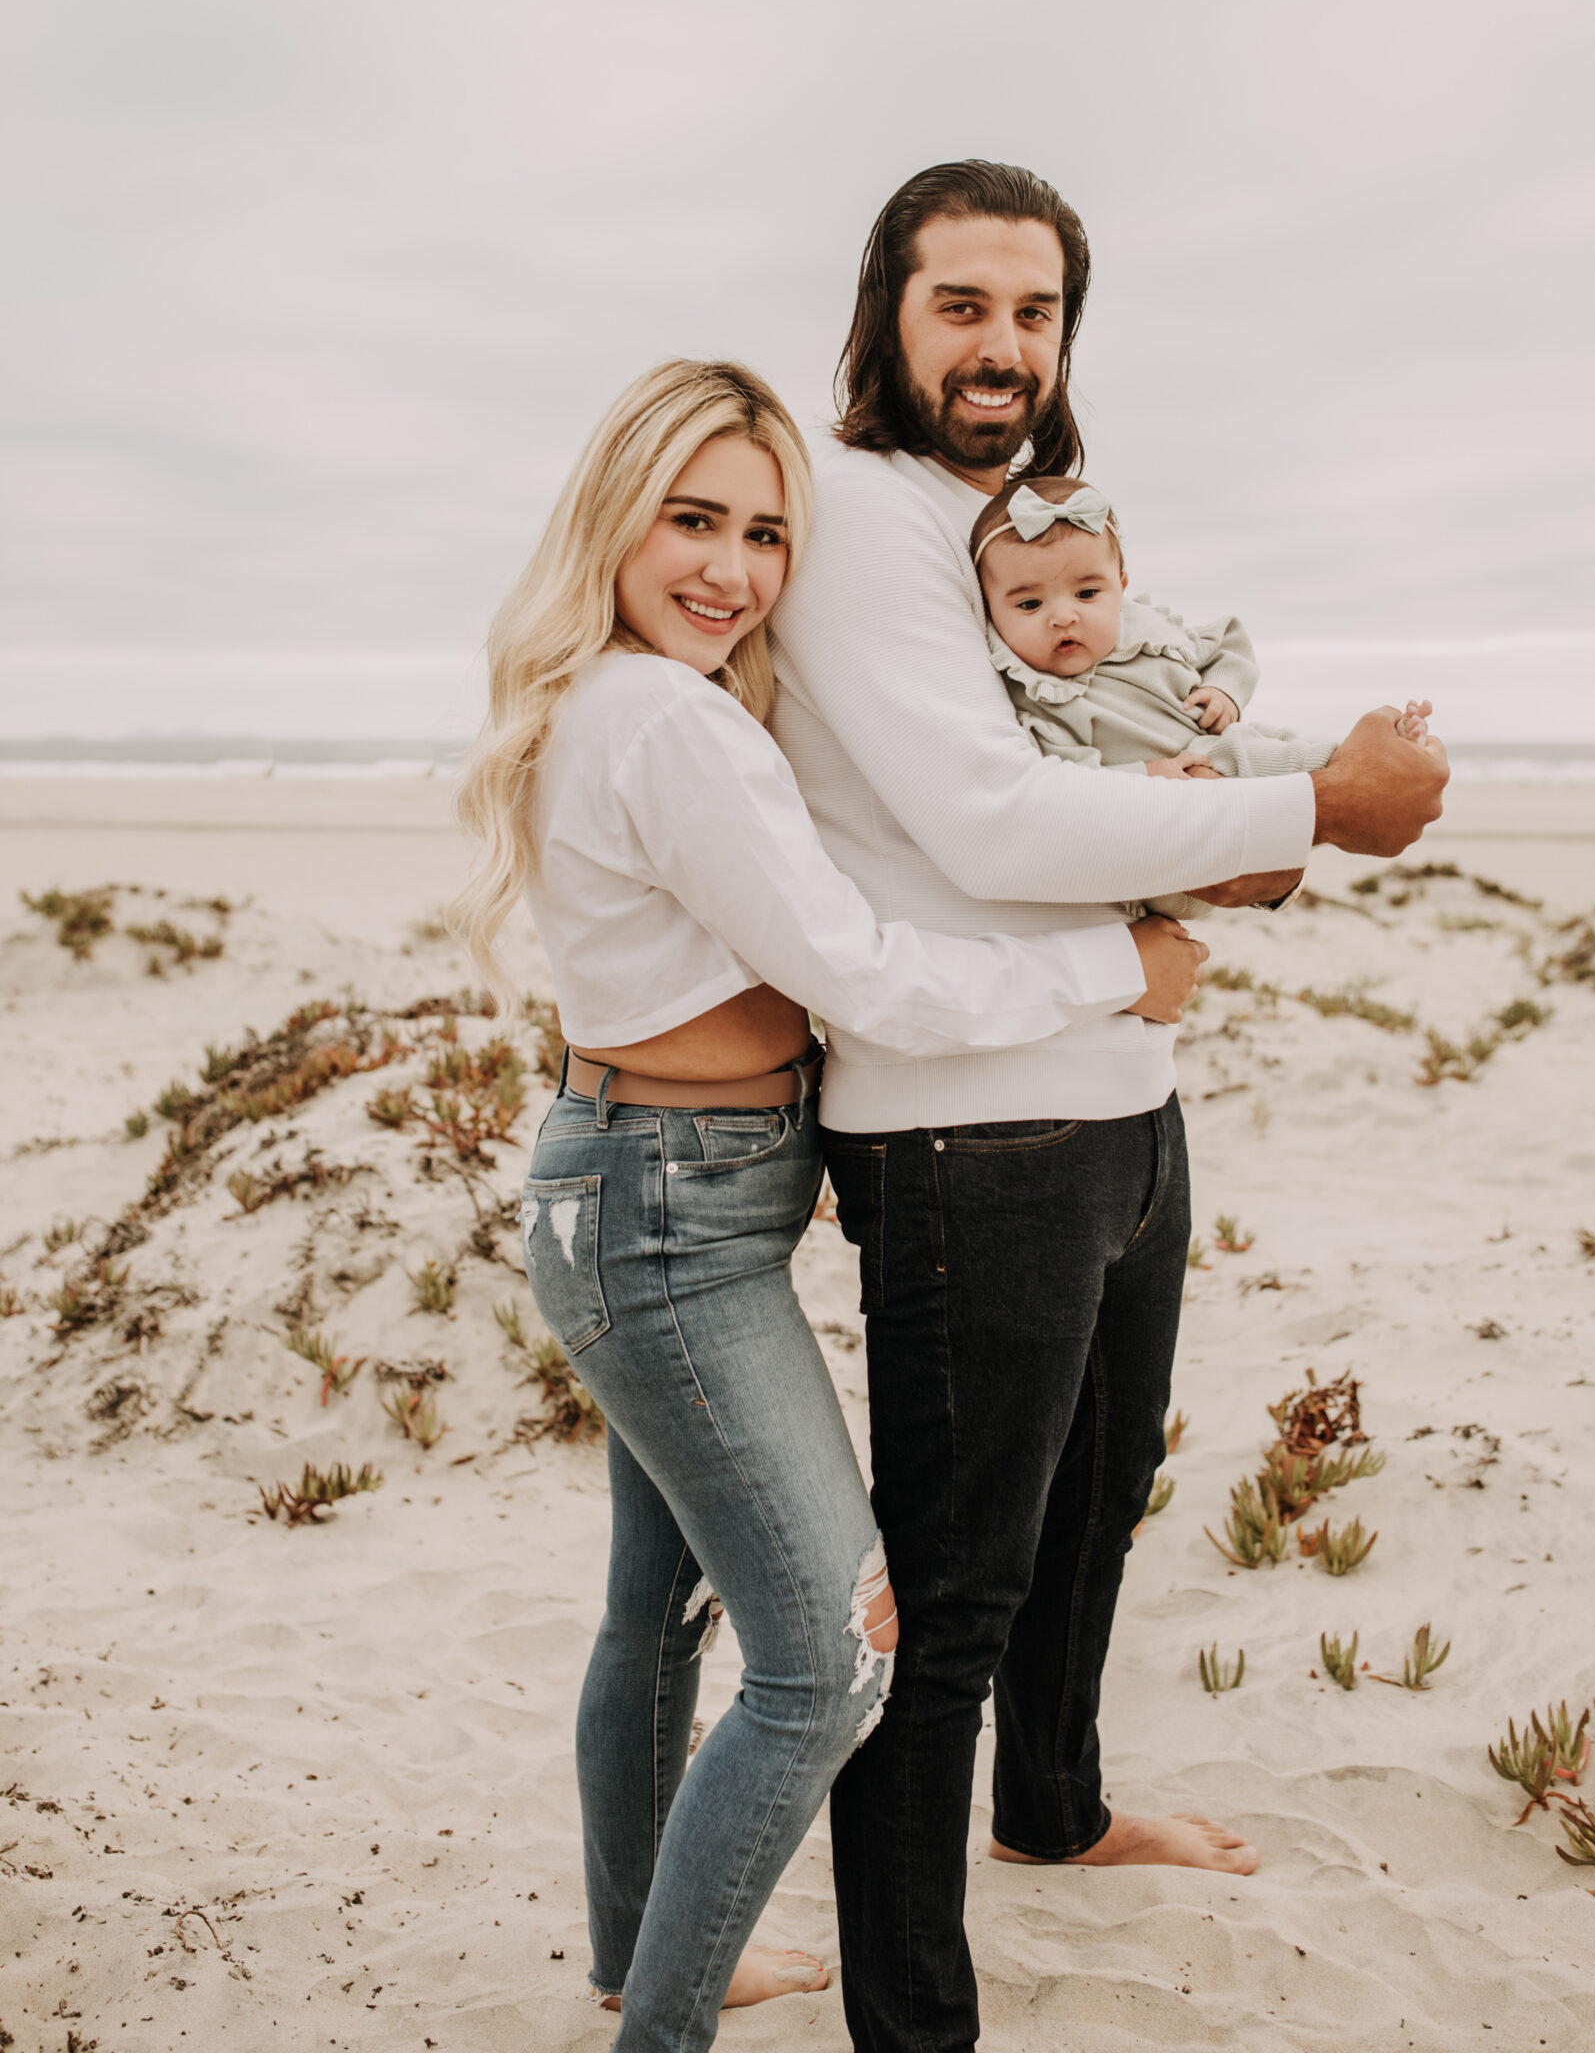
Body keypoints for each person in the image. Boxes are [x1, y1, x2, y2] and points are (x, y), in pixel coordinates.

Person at [767, 158, 1449, 2053]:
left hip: (1116, 1093)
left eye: (1035, 311)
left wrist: (1216, 833)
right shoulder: (859, 520)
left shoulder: (1012, 526)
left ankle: (1053, 1813)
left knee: (1096, 1502)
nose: (1001, 346)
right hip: (964, 1129)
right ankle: (916, 2021)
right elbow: (985, 821)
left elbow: (1092, 775)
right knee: (957, 1590)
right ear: (885, 315)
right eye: (960, 304)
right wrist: (1313, 812)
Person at [449, 356, 1206, 2053]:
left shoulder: (652, 698)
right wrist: (1116, 967)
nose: (730, 567)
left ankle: (640, 1957)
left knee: (662, 1606)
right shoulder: (665, 720)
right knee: (830, 1659)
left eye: (767, 533)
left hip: (651, 1193)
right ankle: (659, 2020)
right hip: (663, 1219)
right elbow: (857, 970)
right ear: (614, 519)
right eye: (692, 520)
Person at [971, 470, 1434, 917]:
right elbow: (1065, 780)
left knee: (1274, 748)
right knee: (1232, 760)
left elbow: (1229, 643)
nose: (1063, 616)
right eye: (1030, 604)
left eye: (1088, 593)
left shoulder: (1148, 632)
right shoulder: (1038, 697)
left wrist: (1223, 691)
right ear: (990, 612)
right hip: (1165, 846)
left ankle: (1382, 752)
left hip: (1221, 776)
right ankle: (1355, 775)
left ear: (1121, 588)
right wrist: (1147, 774)